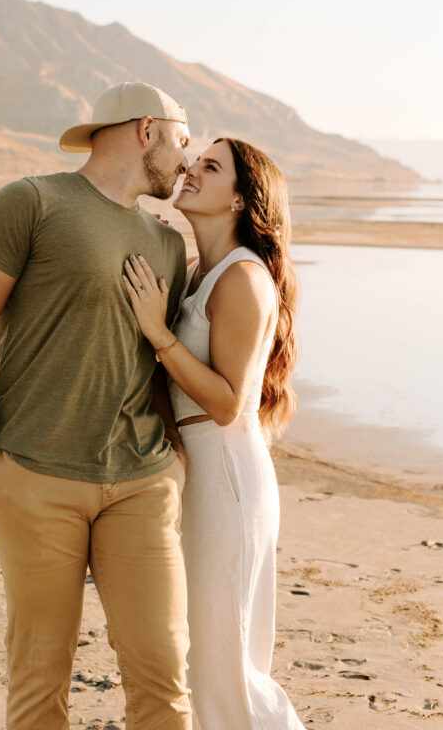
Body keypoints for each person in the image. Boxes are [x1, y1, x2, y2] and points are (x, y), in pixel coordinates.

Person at [0, 81, 194, 730]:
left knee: (162, 674)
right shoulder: (29, 204)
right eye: (182, 141)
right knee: (40, 678)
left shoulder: (167, 244)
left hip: (140, 484)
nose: (186, 161)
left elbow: (158, 366)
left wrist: (174, 464)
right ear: (147, 131)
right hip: (35, 478)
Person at [123, 136, 305, 730]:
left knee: (226, 668)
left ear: (239, 200)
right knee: (207, 658)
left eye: (210, 166)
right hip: (198, 474)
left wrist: (159, 334)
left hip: (227, 477)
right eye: (195, 161)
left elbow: (227, 404)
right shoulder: (202, 272)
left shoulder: (243, 279)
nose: (191, 170)